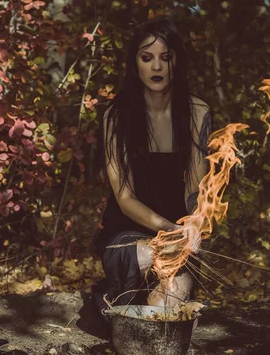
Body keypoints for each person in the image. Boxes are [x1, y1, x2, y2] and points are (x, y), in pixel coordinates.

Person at [92, 18, 212, 317]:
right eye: (147, 58)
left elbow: (195, 187)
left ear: (177, 63)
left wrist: (193, 225)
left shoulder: (198, 112)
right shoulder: (117, 115)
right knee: (144, 257)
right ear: (135, 65)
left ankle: (142, 292)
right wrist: (168, 229)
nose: (156, 67)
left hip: (177, 235)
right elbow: (124, 198)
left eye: (165, 58)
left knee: (164, 310)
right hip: (128, 233)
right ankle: (116, 288)